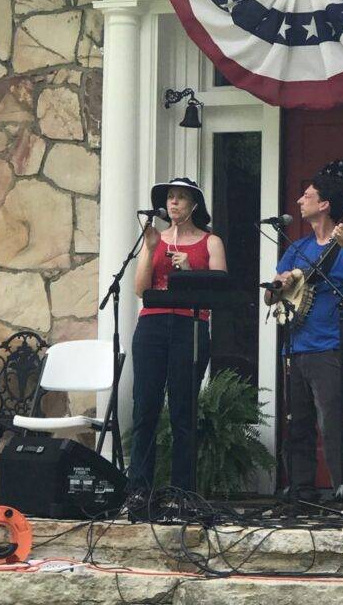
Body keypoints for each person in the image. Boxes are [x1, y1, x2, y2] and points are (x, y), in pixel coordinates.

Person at [264, 173, 343, 503]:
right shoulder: (297, 248)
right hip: (294, 345)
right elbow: (269, 299)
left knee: (331, 418)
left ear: (324, 204)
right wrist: (280, 285)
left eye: (307, 195)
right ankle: (301, 488)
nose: (300, 201)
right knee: (297, 420)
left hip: (329, 345)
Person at [127, 177, 227, 501]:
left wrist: (189, 273)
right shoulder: (155, 238)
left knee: (183, 410)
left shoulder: (210, 242)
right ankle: (140, 489)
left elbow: (219, 291)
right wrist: (150, 249)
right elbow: (141, 289)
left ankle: (182, 491)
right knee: (145, 407)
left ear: (194, 205)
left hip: (190, 325)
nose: (173, 203)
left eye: (181, 198)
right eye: (170, 197)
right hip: (152, 325)